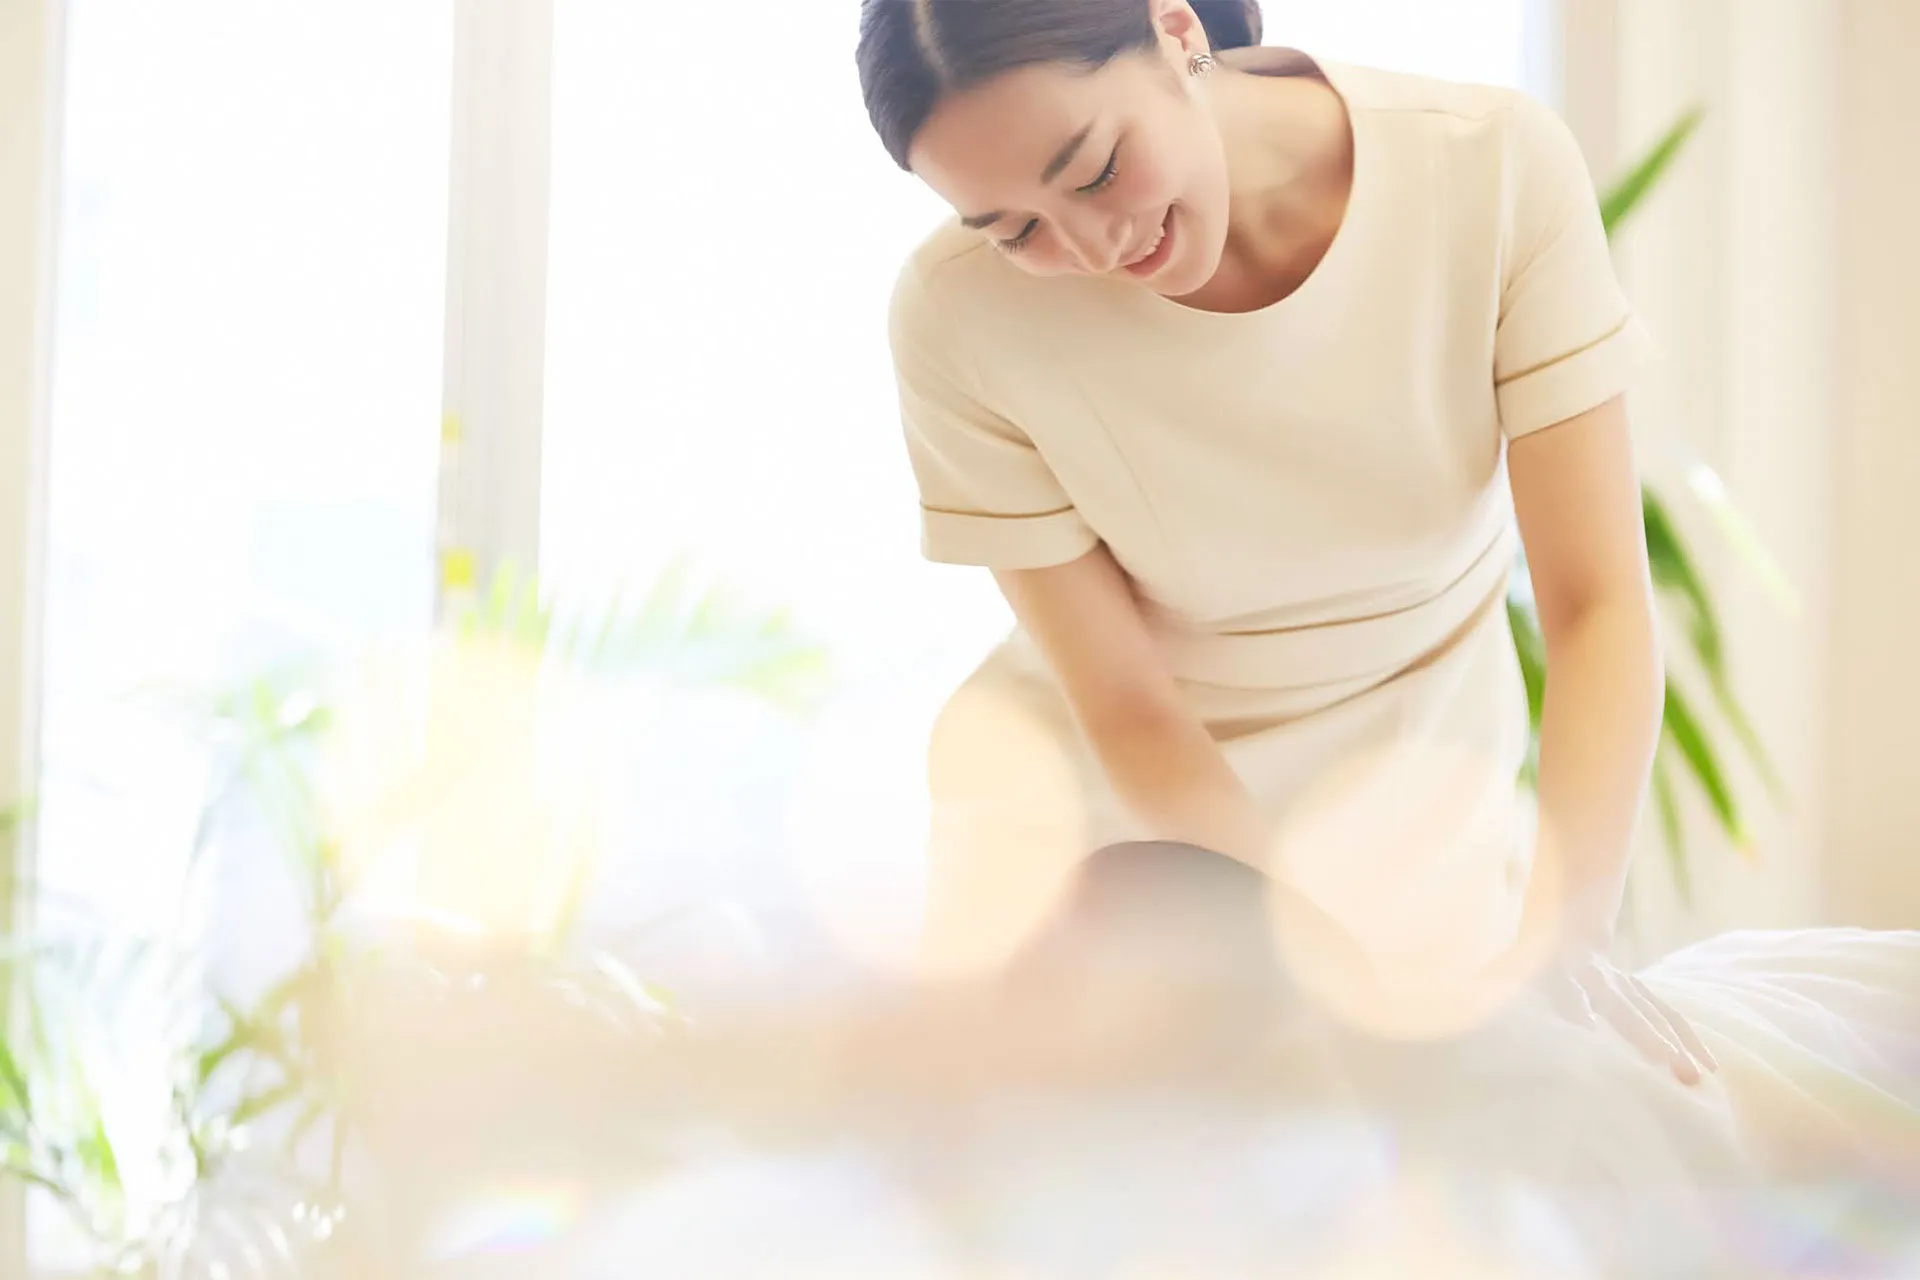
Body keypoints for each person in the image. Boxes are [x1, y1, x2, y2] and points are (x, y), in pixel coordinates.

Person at [854, 0, 1917, 1103]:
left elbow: (1596, 602)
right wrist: (1293, 972)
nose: (1088, 248)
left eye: (1095, 170)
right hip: (1125, 864)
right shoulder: (955, 315)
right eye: (1013, 230)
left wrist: (1568, 934)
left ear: (1177, 33)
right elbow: (1126, 706)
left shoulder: (1486, 170)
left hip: (1417, 826)